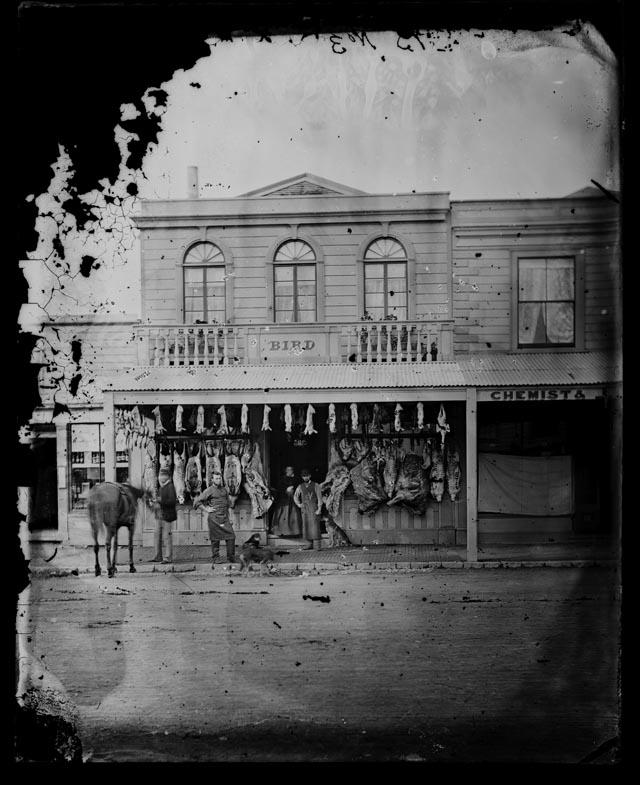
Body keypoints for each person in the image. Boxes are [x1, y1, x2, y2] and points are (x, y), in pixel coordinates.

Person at [194, 469, 236, 566]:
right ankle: (216, 558)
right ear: (212, 480)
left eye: (219, 478)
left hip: (225, 518)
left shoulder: (224, 490)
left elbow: (229, 504)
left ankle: (231, 557)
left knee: (231, 536)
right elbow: (197, 502)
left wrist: (231, 517)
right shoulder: (209, 490)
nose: (218, 480)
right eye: (216, 478)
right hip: (214, 518)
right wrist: (206, 509)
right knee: (215, 539)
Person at [150, 468, 176, 564]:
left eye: (163, 475)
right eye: (160, 476)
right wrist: (155, 502)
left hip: (167, 516)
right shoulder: (161, 488)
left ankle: (168, 557)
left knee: (166, 536)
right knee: (157, 535)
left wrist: (159, 500)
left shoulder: (170, 487)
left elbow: (172, 501)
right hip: (159, 515)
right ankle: (158, 556)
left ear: (168, 477)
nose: (160, 478)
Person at [293, 468, 323, 550]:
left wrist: (319, 509)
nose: (305, 478)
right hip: (305, 509)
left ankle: (317, 546)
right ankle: (309, 544)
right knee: (306, 526)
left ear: (310, 476)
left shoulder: (316, 485)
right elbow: (295, 496)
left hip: (314, 508)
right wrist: (299, 504)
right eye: (303, 476)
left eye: (306, 476)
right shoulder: (300, 486)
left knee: (315, 526)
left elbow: (320, 498)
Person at [270, 465, 302, 537]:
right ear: (286, 471)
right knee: (282, 515)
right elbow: (279, 488)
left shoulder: (295, 479)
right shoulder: (282, 479)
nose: (291, 471)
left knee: (294, 514)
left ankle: (294, 532)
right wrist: (286, 490)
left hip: (293, 499)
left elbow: (298, 487)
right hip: (284, 499)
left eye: (292, 470)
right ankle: (283, 532)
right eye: (289, 470)